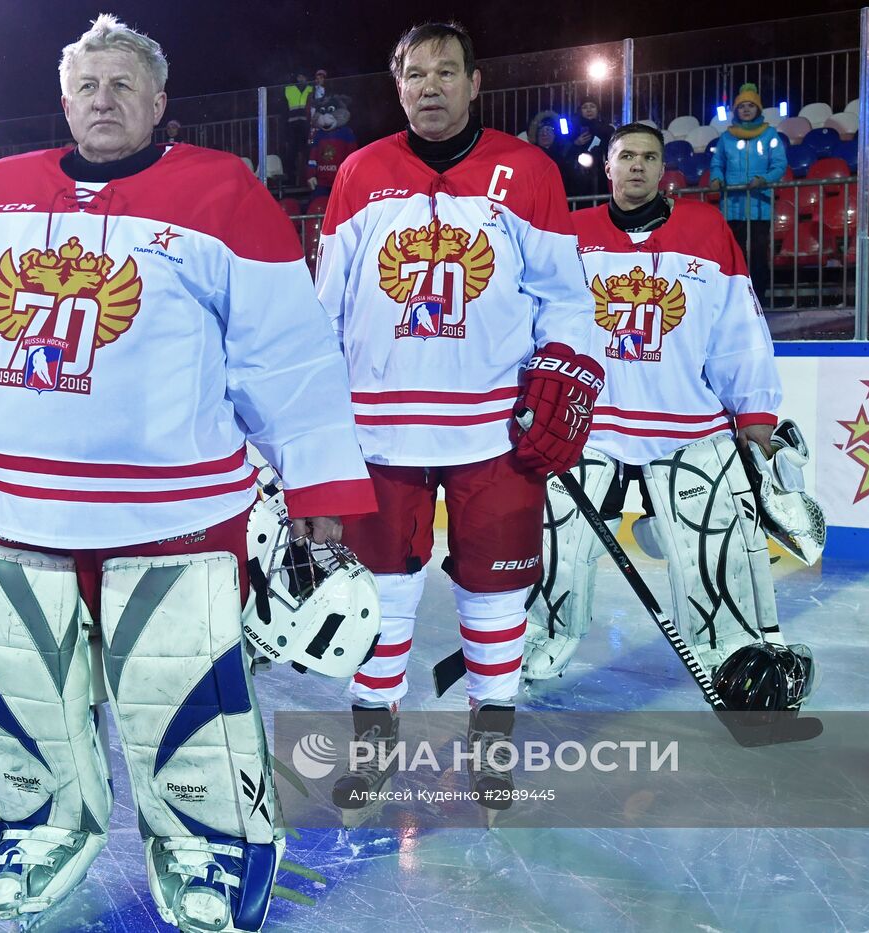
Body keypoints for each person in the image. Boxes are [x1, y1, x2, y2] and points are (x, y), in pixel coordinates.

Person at [0, 14, 375, 931]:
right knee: (18, 686)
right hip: (14, 512)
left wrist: (319, 485)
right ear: (64, 99)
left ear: (160, 102)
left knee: (182, 693)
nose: (103, 99)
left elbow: (288, 355)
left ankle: (209, 844)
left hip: (177, 519)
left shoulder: (221, 190)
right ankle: (34, 825)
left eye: (124, 84)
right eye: (88, 84)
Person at [314, 21, 601, 808]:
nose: (430, 86)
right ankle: (374, 740)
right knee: (381, 590)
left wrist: (563, 366)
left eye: (446, 72)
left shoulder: (529, 170)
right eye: (415, 74)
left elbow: (568, 299)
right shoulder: (360, 173)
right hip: (380, 427)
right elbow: (324, 308)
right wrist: (314, 419)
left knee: (497, 592)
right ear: (397, 86)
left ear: (476, 84)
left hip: (495, 428)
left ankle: (491, 744)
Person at [521, 123, 817, 714]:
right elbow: (534, 322)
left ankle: (734, 653)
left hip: (687, 423)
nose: (637, 167)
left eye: (649, 158)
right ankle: (534, 643)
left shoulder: (708, 231)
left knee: (718, 550)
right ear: (606, 168)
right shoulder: (570, 237)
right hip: (589, 427)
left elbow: (740, 334)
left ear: (664, 170)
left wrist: (755, 414)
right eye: (625, 156)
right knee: (551, 545)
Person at [708, 84, 785, 308]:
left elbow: (779, 163)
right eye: (742, 106)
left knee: (759, 255)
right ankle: (737, 303)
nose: (747, 109)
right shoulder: (726, 138)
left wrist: (765, 179)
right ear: (736, 110)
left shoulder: (770, 134)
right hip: (732, 205)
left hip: (760, 206)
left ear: (758, 109)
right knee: (735, 256)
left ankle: (759, 299)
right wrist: (716, 178)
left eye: (751, 105)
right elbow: (717, 163)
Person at [560, 96, 613, 201]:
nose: (589, 110)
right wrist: (576, 143)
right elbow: (563, 153)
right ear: (580, 111)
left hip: (600, 176)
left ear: (598, 110)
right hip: (577, 177)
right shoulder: (572, 130)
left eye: (592, 106)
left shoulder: (607, 129)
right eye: (585, 107)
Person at [283, 71, 313, 179]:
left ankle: (308, 175)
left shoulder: (310, 88)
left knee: (307, 149)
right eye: (299, 76)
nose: (301, 78)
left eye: (303, 76)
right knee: (292, 150)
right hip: (292, 124)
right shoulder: (289, 88)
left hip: (305, 124)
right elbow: (283, 107)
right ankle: (291, 176)